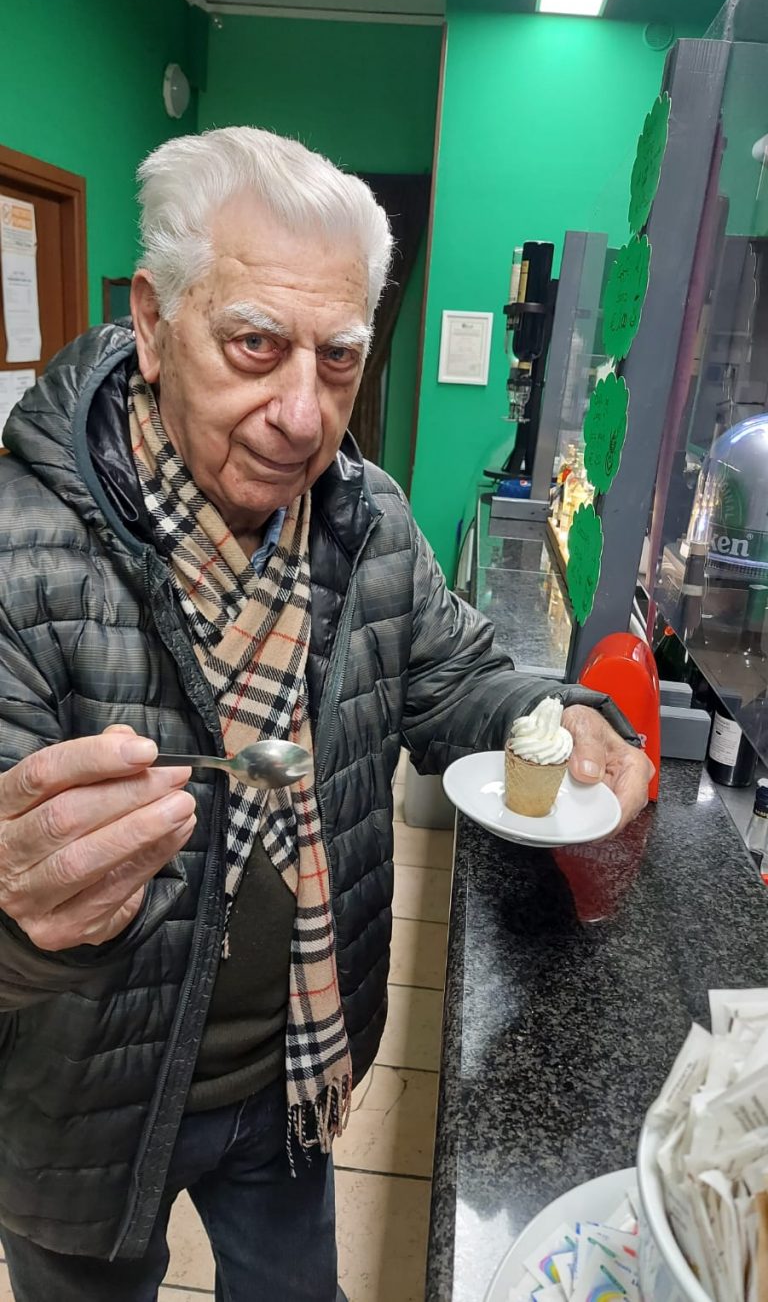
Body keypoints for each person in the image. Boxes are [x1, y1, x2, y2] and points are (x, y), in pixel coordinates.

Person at [0, 127, 651, 1302]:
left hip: (291, 1073)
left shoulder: (369, 519)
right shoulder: (17, 552)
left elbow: (453, 677)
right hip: (84, 1106)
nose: (303, 414)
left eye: (339, 357)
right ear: (152, 321)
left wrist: (557, 713)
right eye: (255, 343)